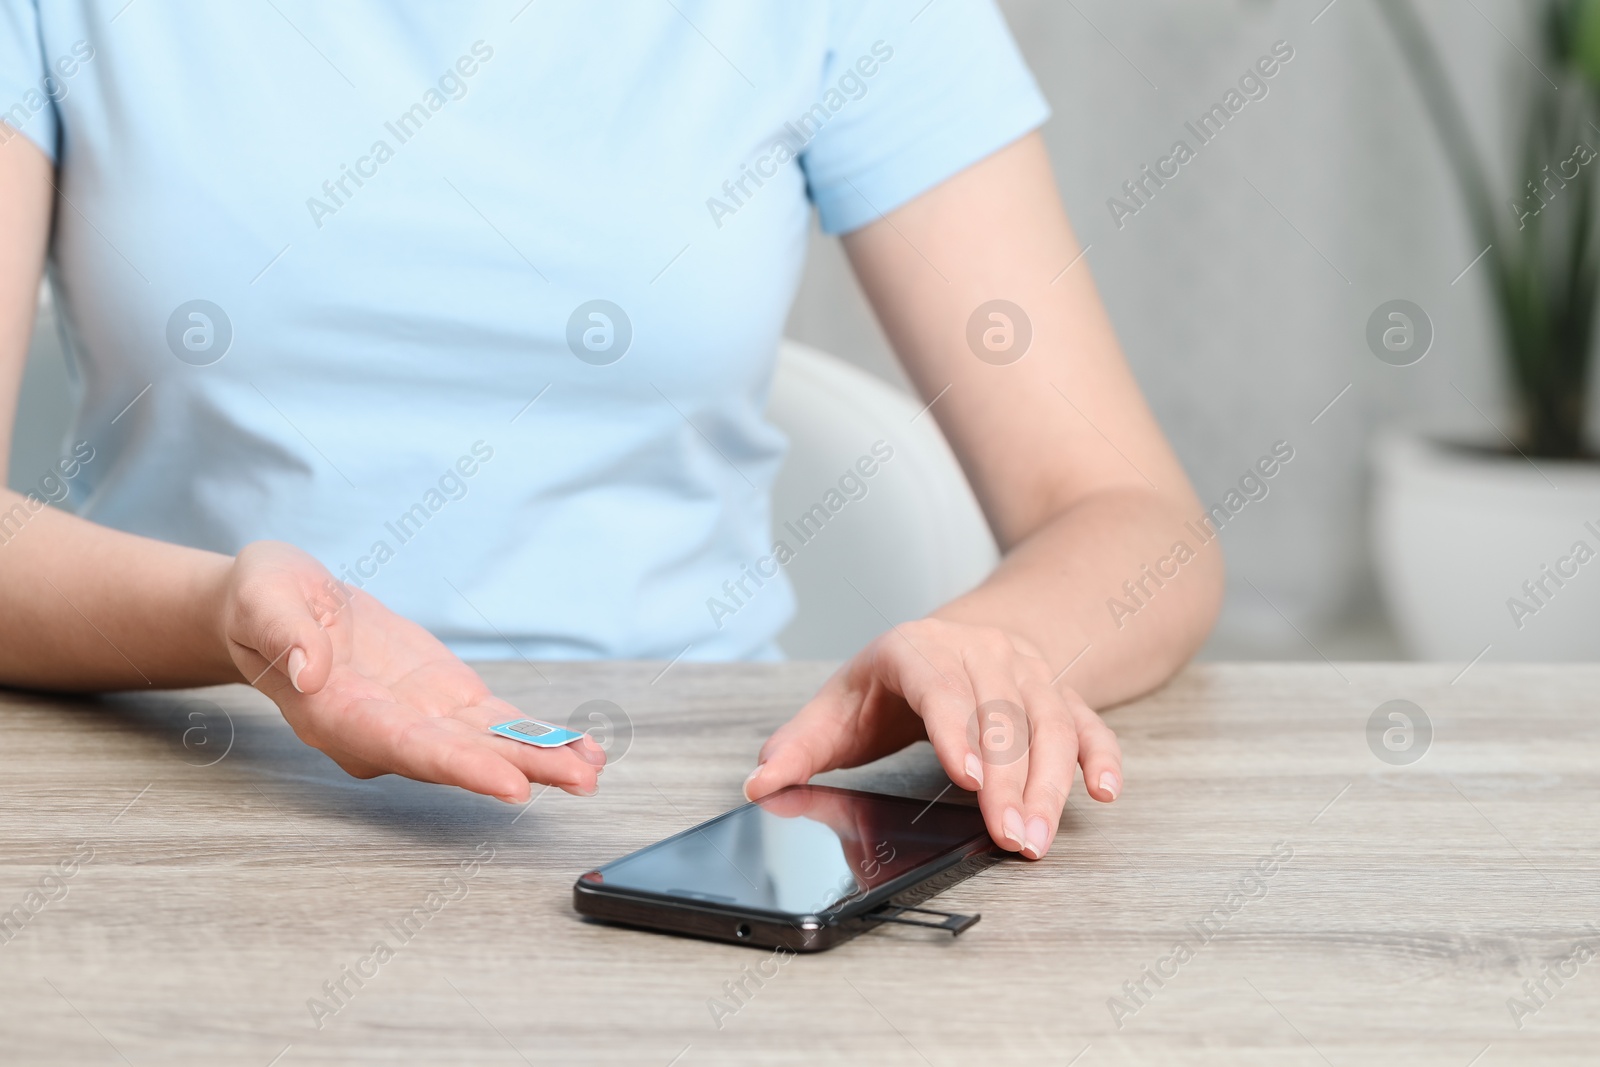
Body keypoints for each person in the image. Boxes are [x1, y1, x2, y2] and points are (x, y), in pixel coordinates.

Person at [0, 1, 1222, 862]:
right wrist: (226, 613)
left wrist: (981, 648)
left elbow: (1123, 511)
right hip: (174, 780)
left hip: (686, 816)